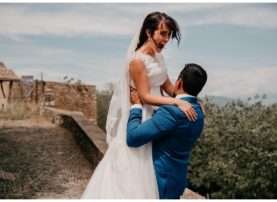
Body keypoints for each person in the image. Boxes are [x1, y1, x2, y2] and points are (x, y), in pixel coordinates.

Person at [81, 12, 200, 199]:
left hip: (157, 113)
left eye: (168, 35)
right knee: (136, 164)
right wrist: (177, 102)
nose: (166, 39)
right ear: (148, 32)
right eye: (163, 33)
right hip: (142, 113)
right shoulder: (137, 61)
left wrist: (189, 99)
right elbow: (144, 96)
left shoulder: (159, 58)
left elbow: (168, 87)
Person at [127, 63, 207, 199]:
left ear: (179, 82)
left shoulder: (172, 112)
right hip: (177, 180)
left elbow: (133, 138)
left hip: (160, 183)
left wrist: (136, 106)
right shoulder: (200, 111)